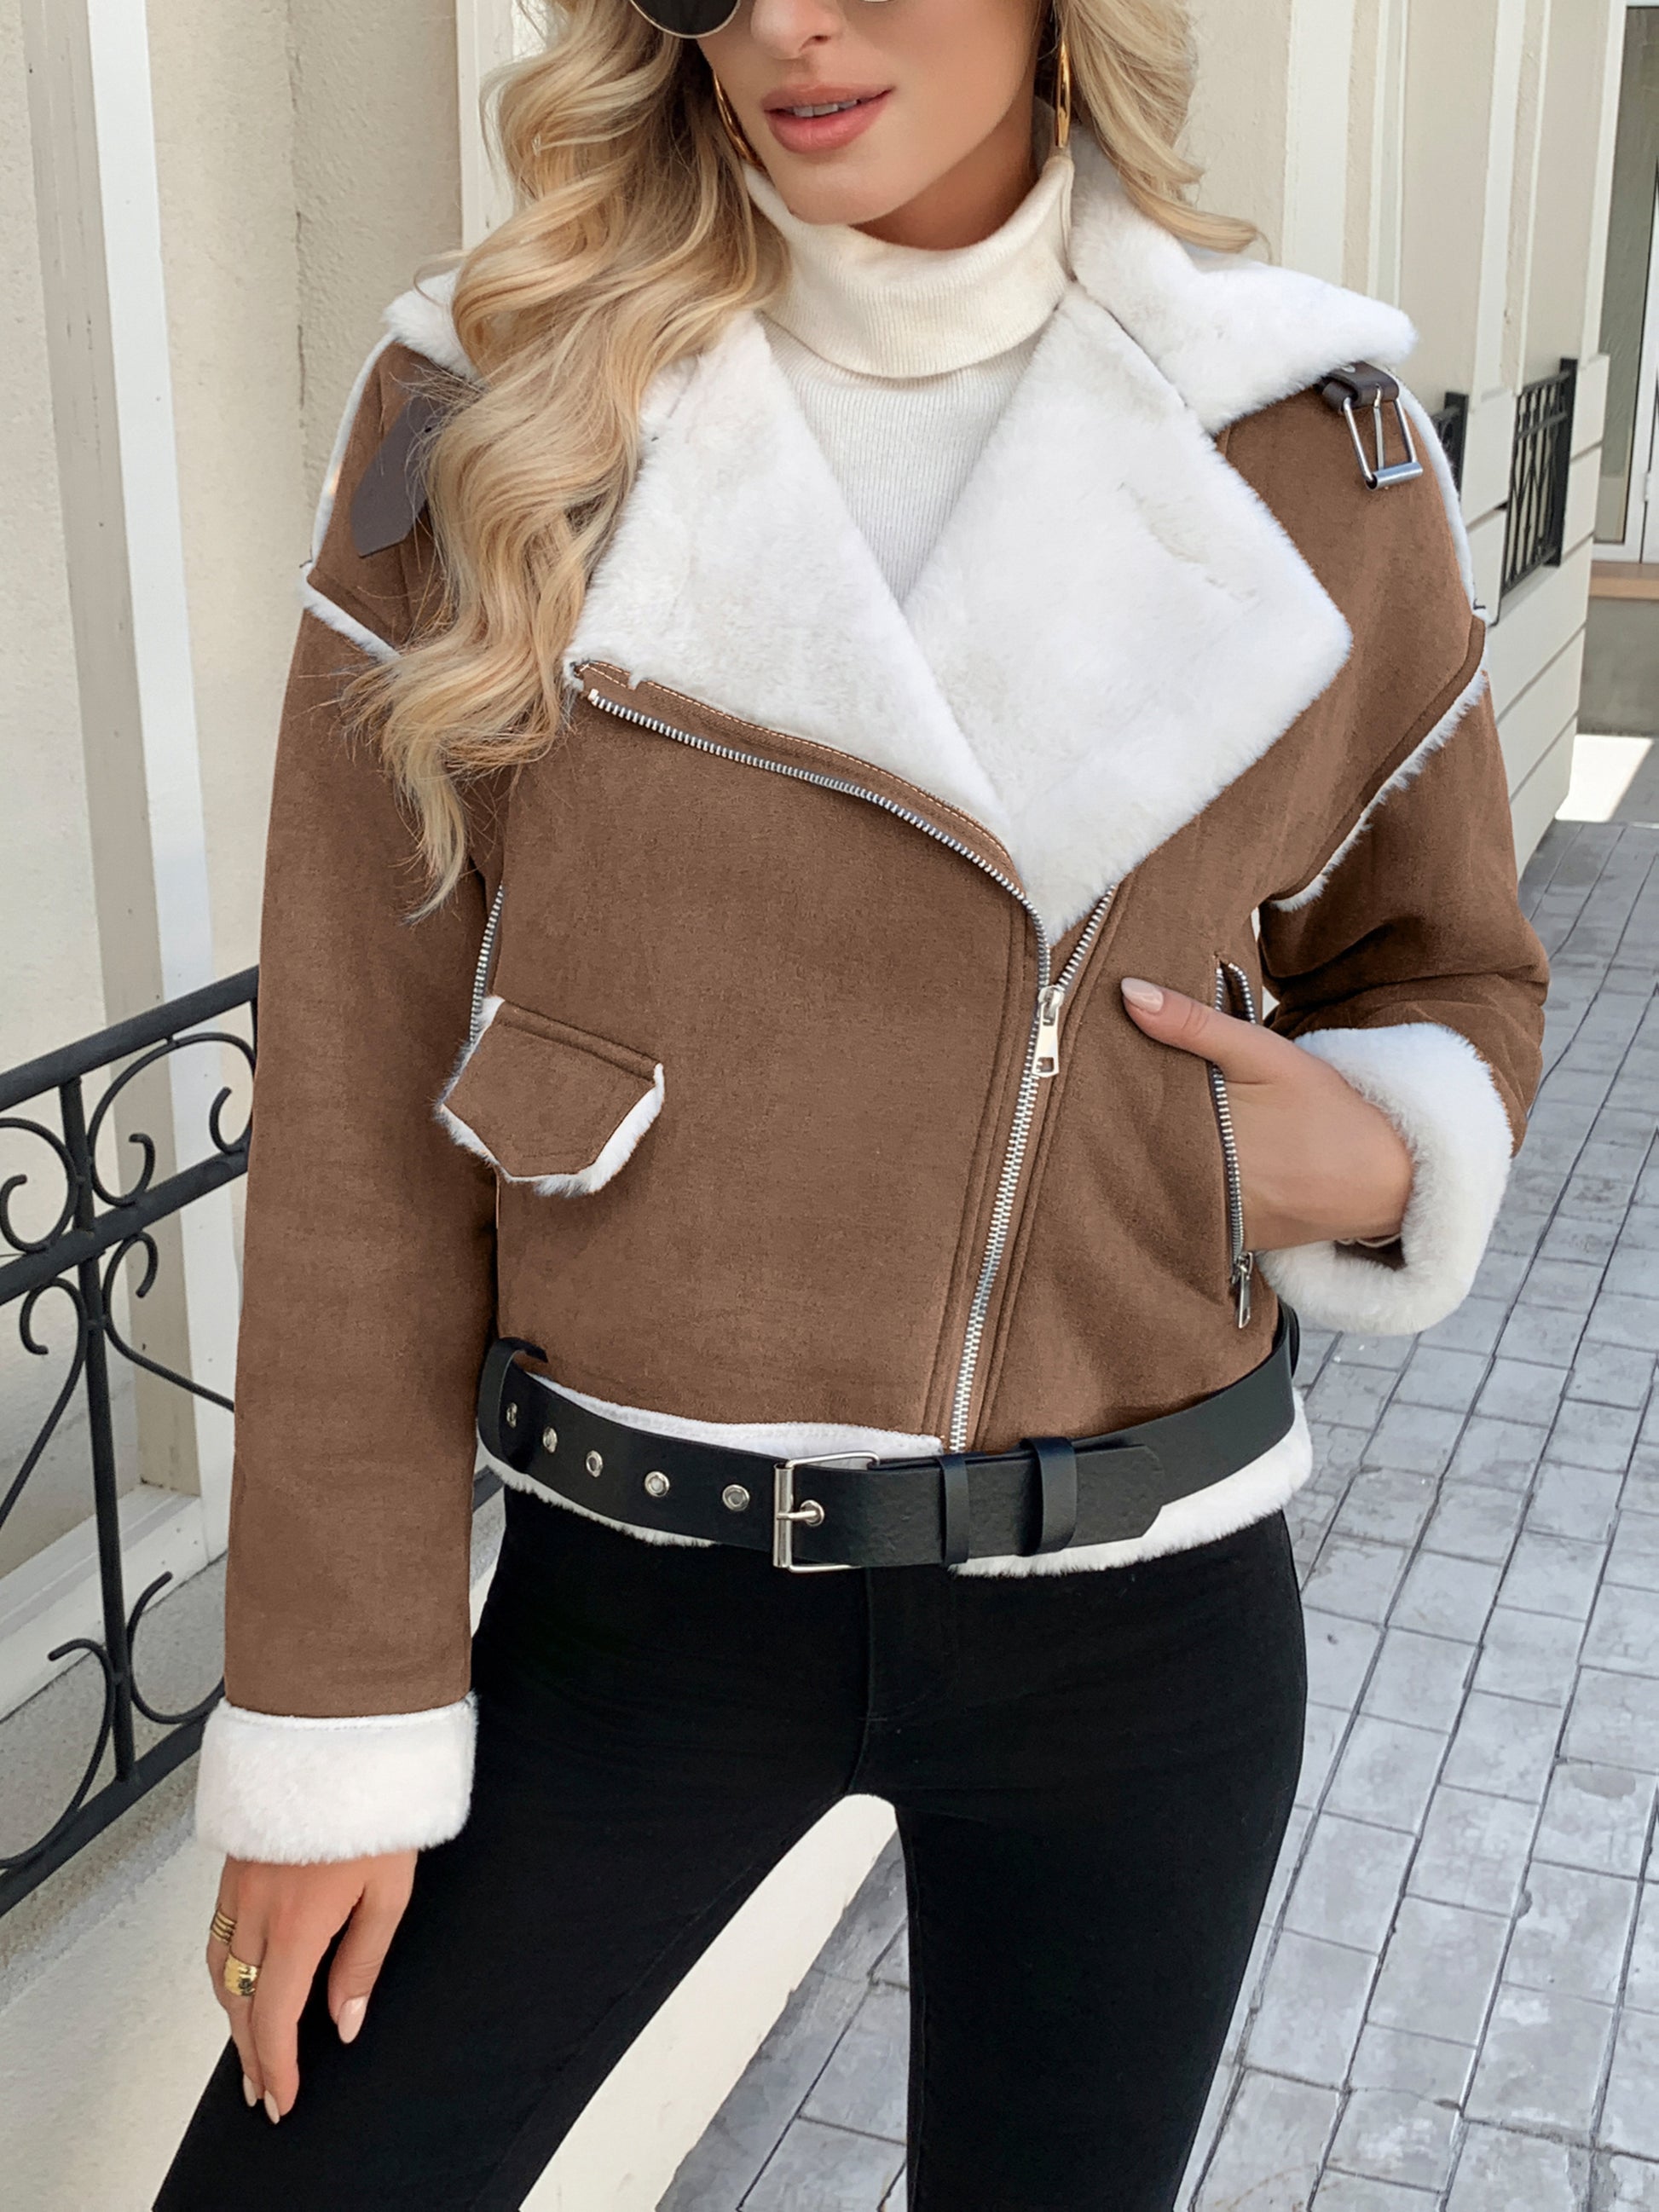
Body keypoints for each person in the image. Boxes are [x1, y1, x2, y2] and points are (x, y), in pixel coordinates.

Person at [156, 1, 1548, 2205]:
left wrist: (1369, 1145)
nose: (787, 23)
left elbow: (1445, 963)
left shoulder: (1306, 441)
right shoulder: (491, 414)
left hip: (1137, 1615)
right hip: (635, 1607)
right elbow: (356, 1117)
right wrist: (333, 1722)